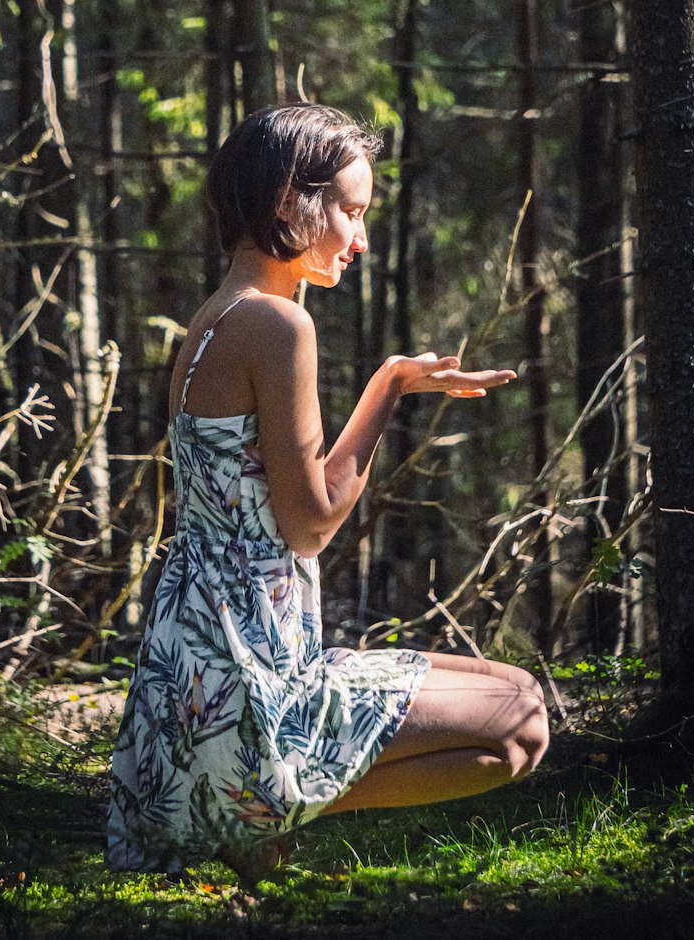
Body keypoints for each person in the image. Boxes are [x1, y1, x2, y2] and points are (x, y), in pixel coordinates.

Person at [107, 104, 549, 880]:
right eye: (350, 211)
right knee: (520, 728)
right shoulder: (278, 325)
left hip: (204, 669)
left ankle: (248, 806)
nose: (362, 237)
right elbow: (310, 524)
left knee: (514, 688)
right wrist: (388, 391)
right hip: (245, 684)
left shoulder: (217, 318)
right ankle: (249, 808)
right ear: (289, 203)